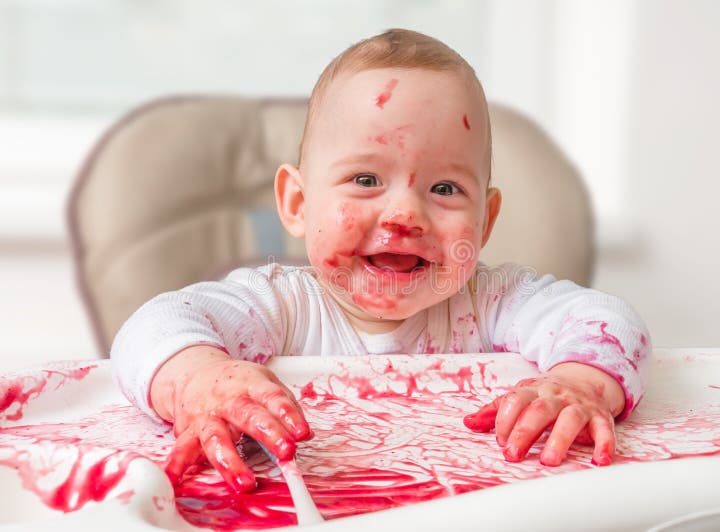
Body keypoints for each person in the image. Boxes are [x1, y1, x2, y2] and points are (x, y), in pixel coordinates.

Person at [111, 28, 650, 494]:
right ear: (298, 204)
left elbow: (606, 321)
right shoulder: (280, 306)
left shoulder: (491, 303)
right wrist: (202, 379)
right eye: (365, 180)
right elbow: (151, 327)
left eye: (444, 188)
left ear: (484, 223)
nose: (403, 215)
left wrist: (579, 382)